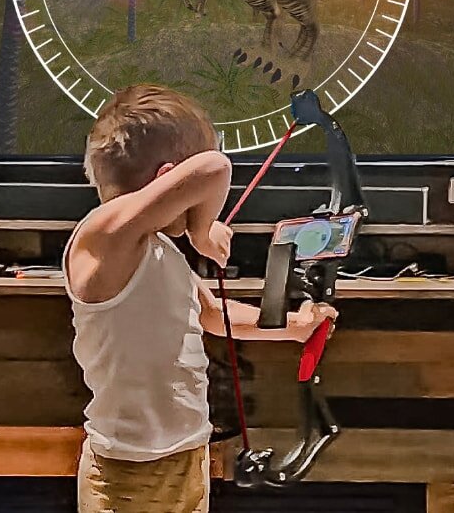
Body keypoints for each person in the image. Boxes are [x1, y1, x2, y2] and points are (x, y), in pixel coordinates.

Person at [63, 84, 337, 513]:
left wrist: (291, 327)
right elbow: (213, 167)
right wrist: (202, 230)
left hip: (187, 453)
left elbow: (211, 313)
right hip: (126, 472)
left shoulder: (158, 249)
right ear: (168, 178)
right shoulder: (103, 238)